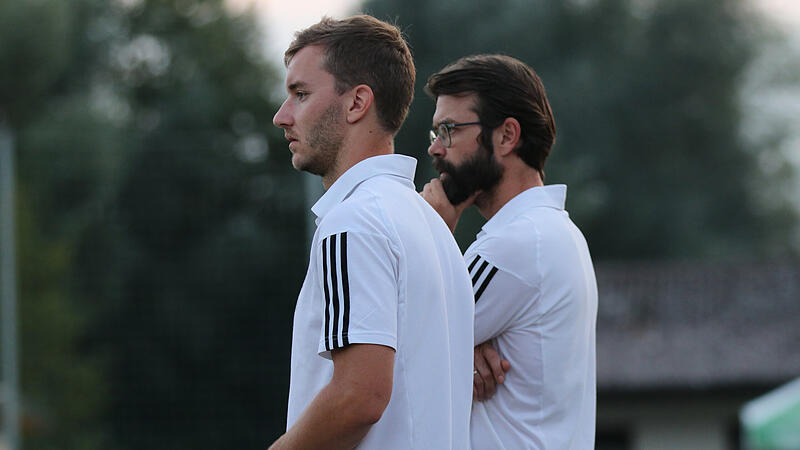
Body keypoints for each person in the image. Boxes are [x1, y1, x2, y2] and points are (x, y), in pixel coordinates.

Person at [270, 15, 474, 450]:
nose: (281, 116)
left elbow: (359, 396)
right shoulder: (433, 230)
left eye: (301, 94)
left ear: (357, 102)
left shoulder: (354, 221)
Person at [421, 54, 598, 449]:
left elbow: (389, 351)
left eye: (448, 130)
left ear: (506, 136)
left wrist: (432, 231)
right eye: (434, 132)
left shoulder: (514, 245)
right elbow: (432, 336)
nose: (435, 148)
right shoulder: (553, 232)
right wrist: (464, 347)